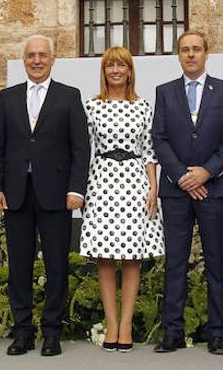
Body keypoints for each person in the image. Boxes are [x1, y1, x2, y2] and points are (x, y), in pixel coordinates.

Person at [0, 35, 89, 357]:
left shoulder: (69, 96)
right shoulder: (9, 97)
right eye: (30, 55)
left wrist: (76, 189)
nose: (36, 60)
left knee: (57, 264)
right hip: (16, 194)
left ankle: (52, 333)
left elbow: (80, 148)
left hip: (57, 195)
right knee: (19, 266)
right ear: (23, 59)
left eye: (42, 55)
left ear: (52, 59)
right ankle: (23, 332)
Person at [151, 30, 223, 355]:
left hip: (215, 189)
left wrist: (206, 171)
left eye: (197, 49)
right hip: (176, 193)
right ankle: (172, 333)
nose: (191, 54)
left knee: (217, 262)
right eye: (185, 50)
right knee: (175, 262)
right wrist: (180, 176)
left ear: (206, 53)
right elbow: (158, 138)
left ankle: (216, 333)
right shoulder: (164, 92)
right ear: (178, 55)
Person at [80, 46, 163, 353]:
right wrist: (82, 188)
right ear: (104, 71)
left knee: (131, 258)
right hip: (101, 180)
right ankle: (111, 323)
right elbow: (83, 149)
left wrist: (153, 187)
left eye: (121, 65)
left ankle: (125, 325)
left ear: (130, 71)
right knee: (104, 257)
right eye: (110, 65)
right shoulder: (91, 106)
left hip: (134, 183)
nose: (115, 70)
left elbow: (150, 150)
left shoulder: (143, 106)